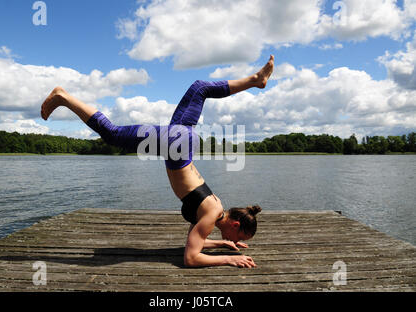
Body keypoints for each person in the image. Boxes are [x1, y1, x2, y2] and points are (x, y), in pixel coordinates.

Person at [41, 55, 274, 268]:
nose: (236, 242)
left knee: (200, 87)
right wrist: (230, 259)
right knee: (112, 134)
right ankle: (63, 96)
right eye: (239, 238)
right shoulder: (211, 216)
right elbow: (191, 258)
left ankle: (255, 80)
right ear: (235, 225)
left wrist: (223, 245)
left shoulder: (216, 208)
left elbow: (196, 243)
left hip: (183, 139)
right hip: (177, 144)